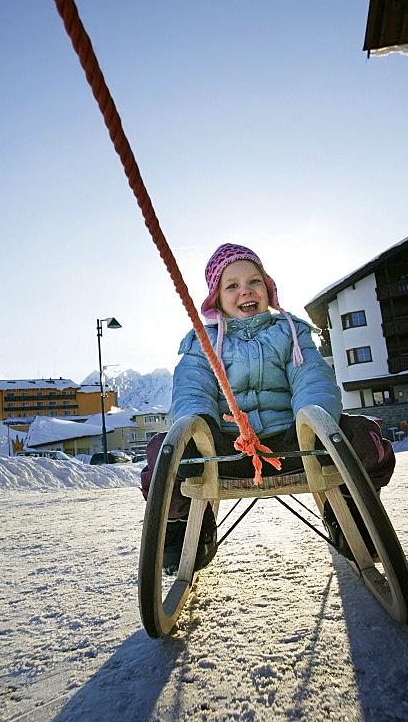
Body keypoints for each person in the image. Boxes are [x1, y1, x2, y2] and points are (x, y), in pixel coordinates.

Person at [140, 243, 395, 571]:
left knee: (363, 436)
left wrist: (316, 425)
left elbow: (311, 377)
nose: (245, 291)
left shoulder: (289, 332)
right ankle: (182, 521)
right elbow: (192, 390)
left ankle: (352, 507)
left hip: (293, 445)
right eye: (232, 285)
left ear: (268, 288)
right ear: (216, 299)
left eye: (254, 281)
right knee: (163, 451)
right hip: (222, 452)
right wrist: (198, 431)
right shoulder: (202, 342)